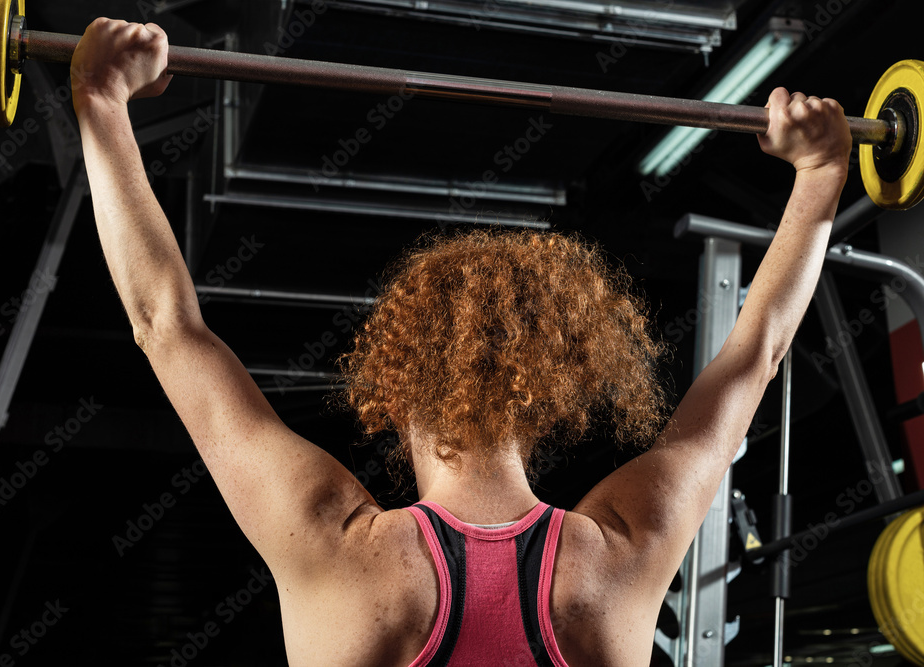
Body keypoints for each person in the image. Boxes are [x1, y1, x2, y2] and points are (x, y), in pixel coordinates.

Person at [71, 18, 852, 667]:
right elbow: (759, 354)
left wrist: (101, 99)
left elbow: (165, 324)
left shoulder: (337, 546)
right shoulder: (617, 554)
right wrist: (820, 172)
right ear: (547, 392)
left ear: (396, 379)